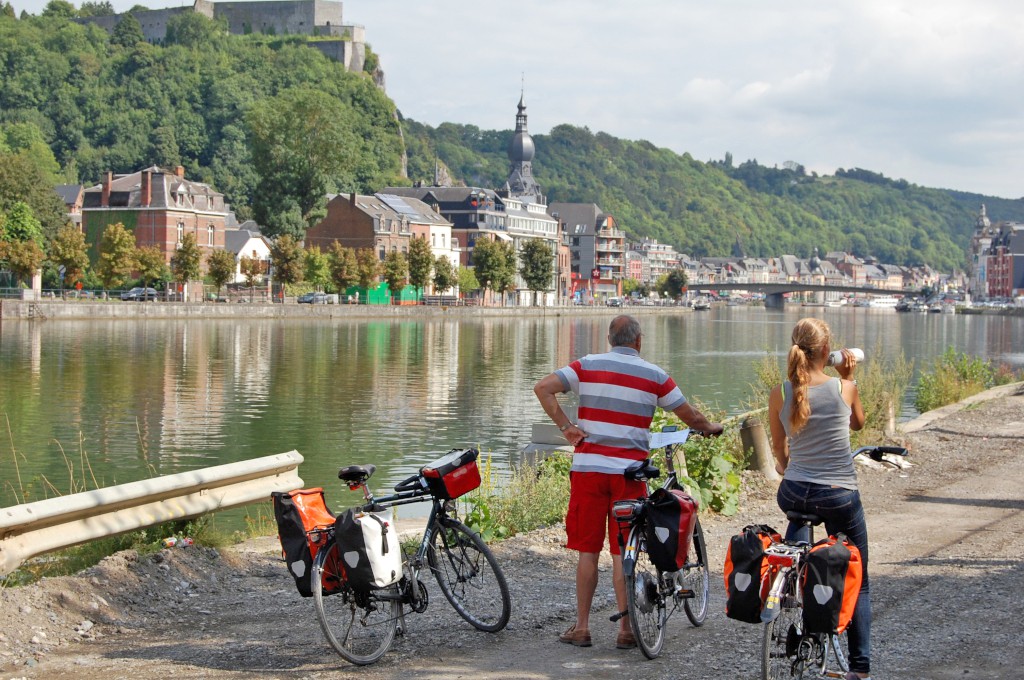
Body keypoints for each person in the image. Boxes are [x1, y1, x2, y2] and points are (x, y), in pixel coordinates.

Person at [533, 314, 723, 649]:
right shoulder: (655, 375)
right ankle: (626, 630)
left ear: (610, 339)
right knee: (624, 551)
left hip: (589, 471)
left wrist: (566, 427)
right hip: (630, 475)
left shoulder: (586, 365)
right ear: (639, 341)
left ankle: (582, 628)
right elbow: (688, 415)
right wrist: (708, 428)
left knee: (588, 551)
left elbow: (543, 387)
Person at [767, 317, 869, 680]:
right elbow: (858, 424)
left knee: (800, 517)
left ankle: (795, 580)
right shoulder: (845, 388)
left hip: (794, 490)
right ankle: (860, 668)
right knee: (859, 575)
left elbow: (780, 455)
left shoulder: (780, 391)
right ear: (827, 352)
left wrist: (787, 467)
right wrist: (850, 376)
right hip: (838, 493)